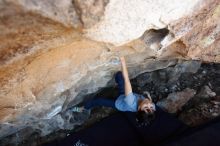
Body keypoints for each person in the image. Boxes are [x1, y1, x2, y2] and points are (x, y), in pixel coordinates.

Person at [71, 57, 156, 124]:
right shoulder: (151, 106)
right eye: (151, 107)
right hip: (125, 96)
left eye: (145, 107)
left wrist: (122, 60)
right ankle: (114, 83)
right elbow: (149, 104)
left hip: (118, 103)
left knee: (98, 101)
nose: (148, 104)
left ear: (138, 109)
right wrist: (148, 97)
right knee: (119, 75)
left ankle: (83, 108)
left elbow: (127, 80)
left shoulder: (131, 101)